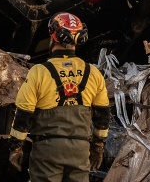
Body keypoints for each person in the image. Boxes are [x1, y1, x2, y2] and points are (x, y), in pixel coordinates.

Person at [9, 13, 111, 182]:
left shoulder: (39, 72)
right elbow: (102, 117)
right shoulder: (93, 73)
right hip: (80, 150)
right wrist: (98, 146)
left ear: (53, 36)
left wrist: (16, 147)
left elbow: (23, 113)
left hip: (47, 151)